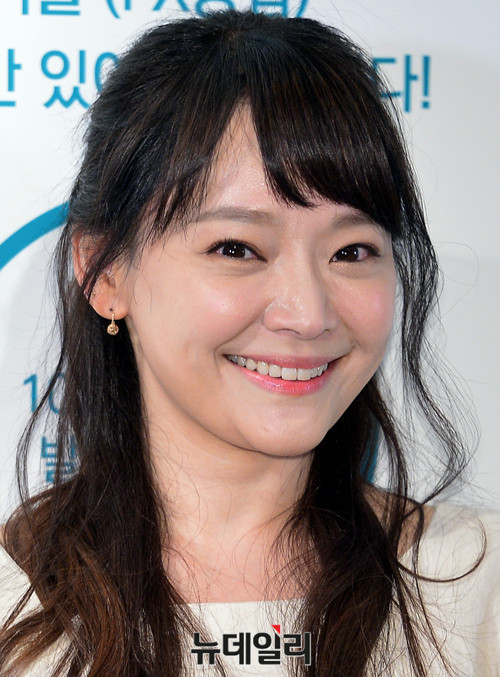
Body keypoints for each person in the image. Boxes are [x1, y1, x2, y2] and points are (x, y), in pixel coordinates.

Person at [0, 8, 498, 676]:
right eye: (237, 248)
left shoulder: (476, 582)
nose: (308, 314)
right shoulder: (12, 599)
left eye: (352, 251)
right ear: (104, 272)